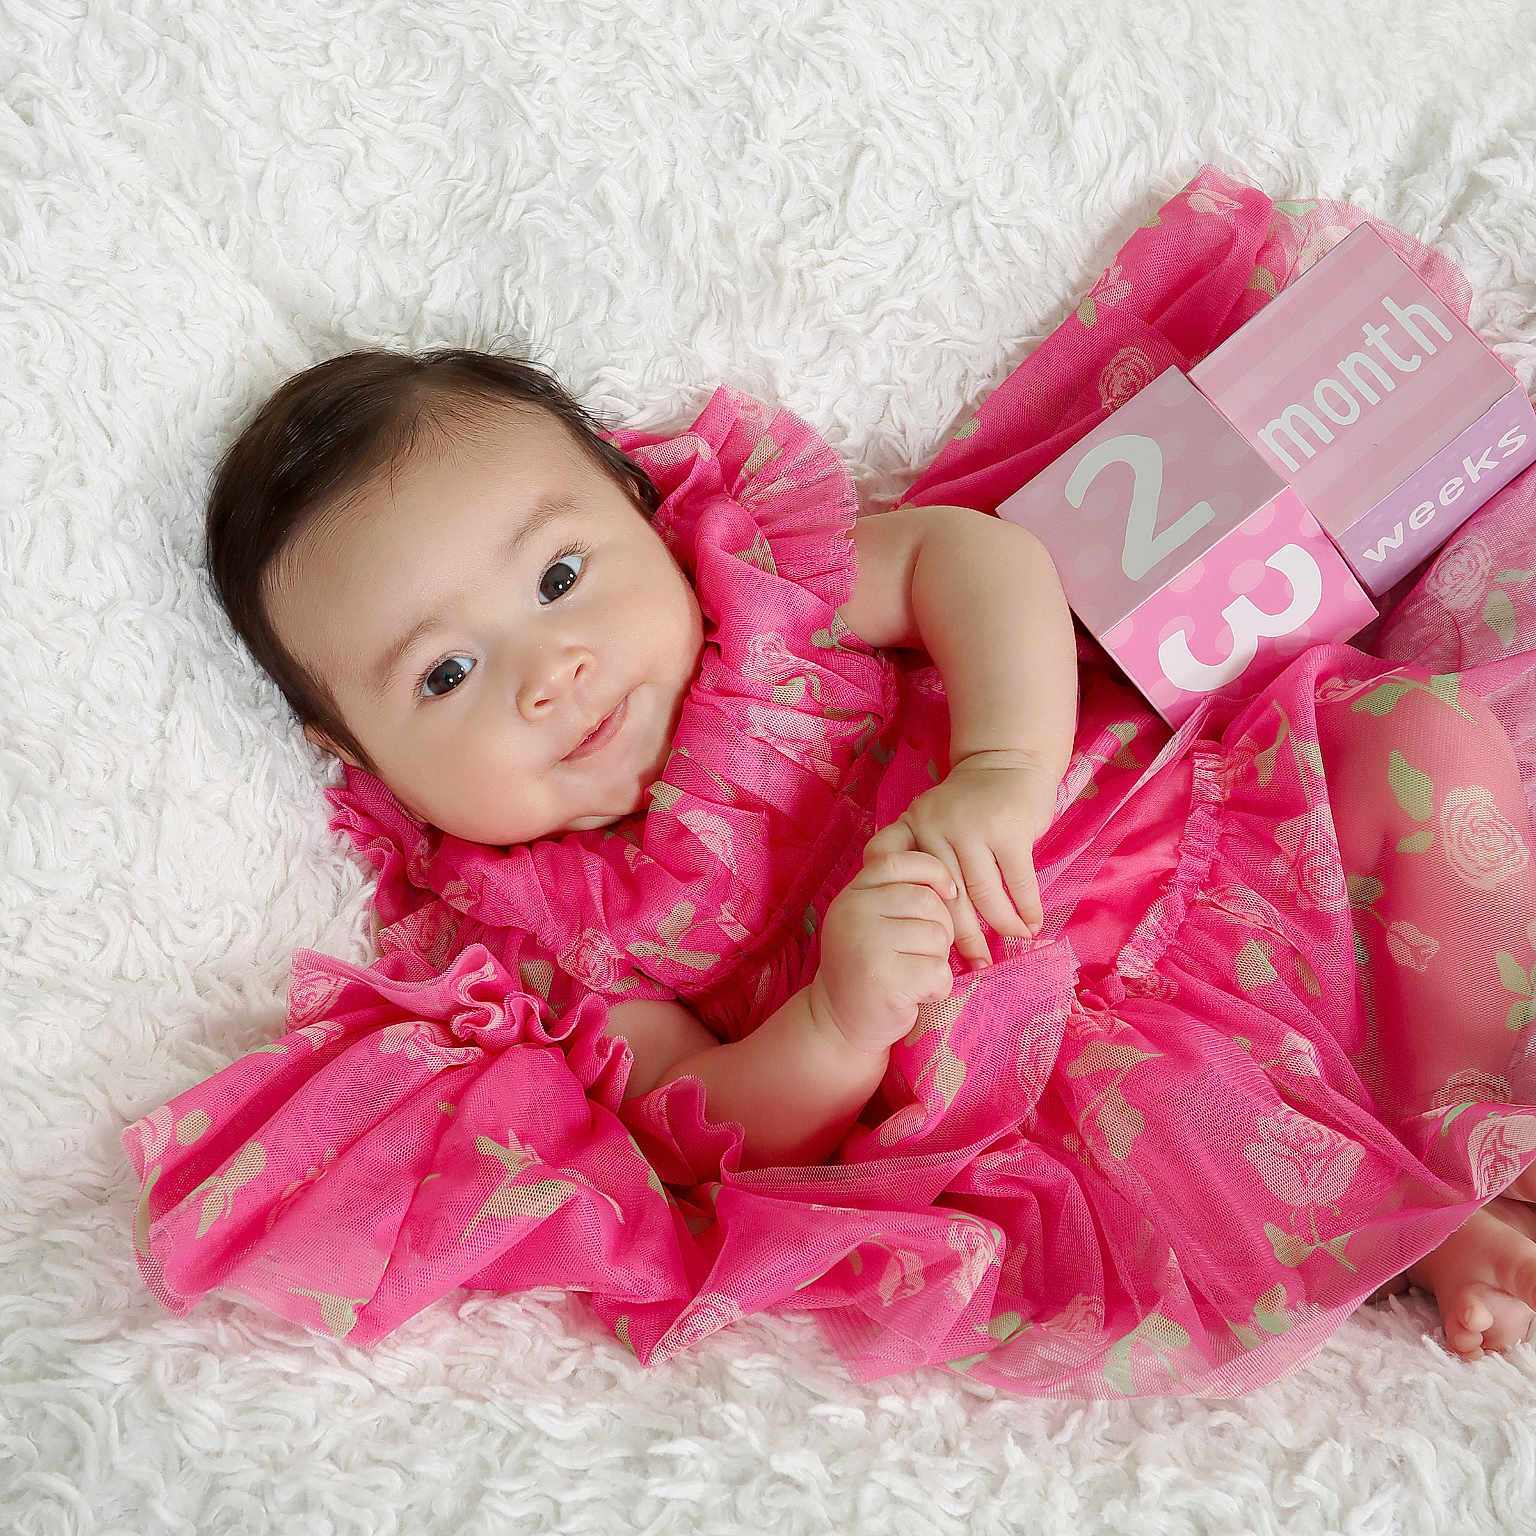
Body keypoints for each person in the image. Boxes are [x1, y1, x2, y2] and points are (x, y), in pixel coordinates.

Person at [126, 343, 1536, 1395]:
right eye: (445, 672)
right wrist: (838, 1023)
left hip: (1194, 840)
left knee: (1418, 746)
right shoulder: (538, 931)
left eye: (559, 578)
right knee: (1193, 1163)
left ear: (636, 506)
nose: (550, 670)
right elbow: (700, 1115)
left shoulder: (765, 593)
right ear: (357, 756)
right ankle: (1431, 1213)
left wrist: (998, 766)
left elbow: (975, 565)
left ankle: (1486, 1118)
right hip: (1037, 1065)